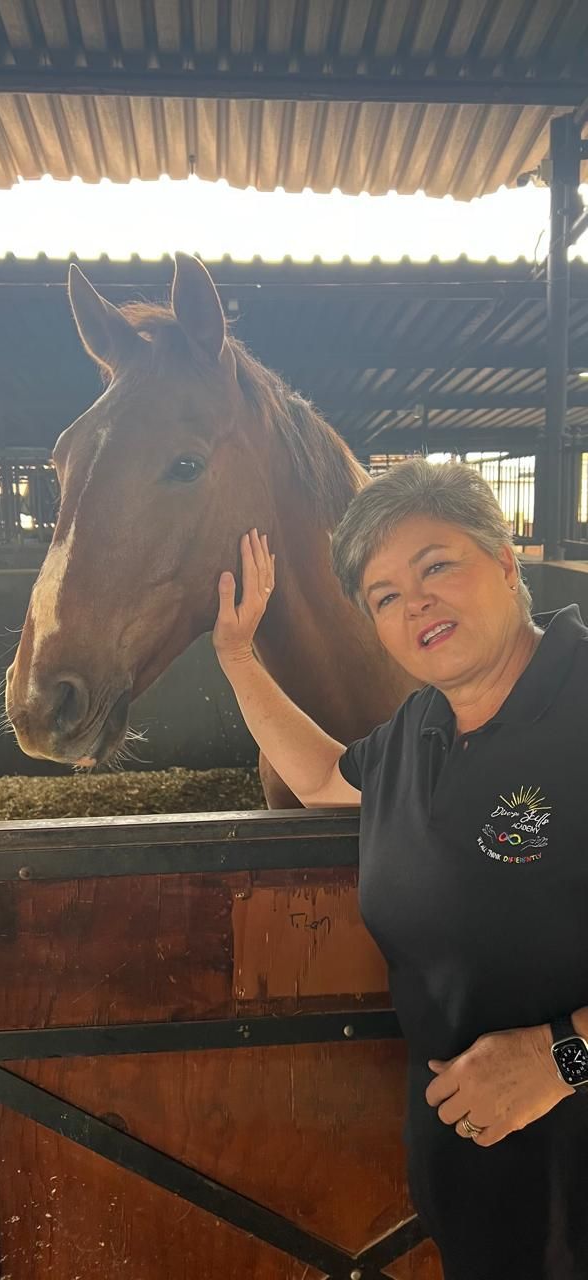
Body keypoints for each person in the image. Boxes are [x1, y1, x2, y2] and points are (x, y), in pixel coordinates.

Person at [212, 456, 588, 1280]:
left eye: (435, 565)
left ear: (503, 559)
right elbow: (317, 779)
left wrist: (562, 1054)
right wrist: (239, 657)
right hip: (477, 1184)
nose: (412, 601)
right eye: (382, 596)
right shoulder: (419, 729)